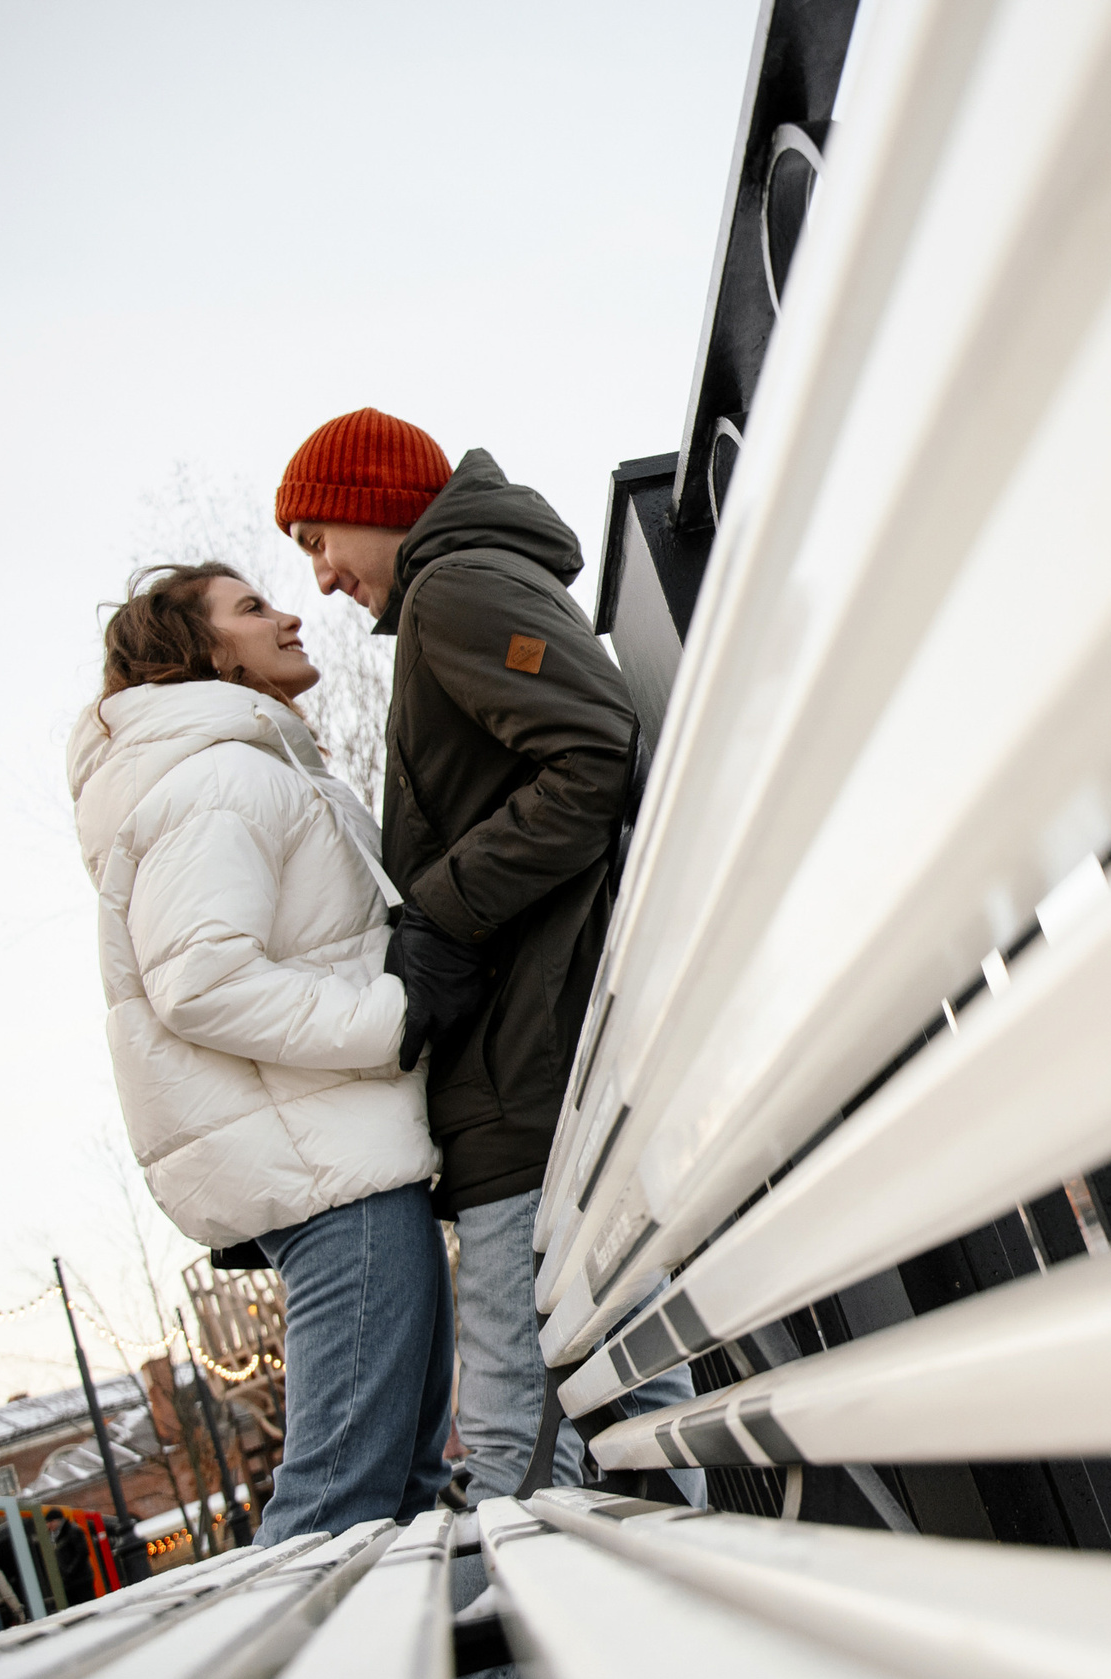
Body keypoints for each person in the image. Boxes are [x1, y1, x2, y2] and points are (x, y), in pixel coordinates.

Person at [275, 410, 696, 1522]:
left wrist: (441, 915)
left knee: (517, 1443)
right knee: (634, 1407)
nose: (321, 577)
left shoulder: (454, 589)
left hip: (525, 1065)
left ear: (374, 502)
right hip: (544, 1054)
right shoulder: (464, 587)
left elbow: (595, 748)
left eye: (319, 539)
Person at [71, 564, 452, 1545]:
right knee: (339, 1504)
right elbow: (200, 980)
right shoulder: (219, 779)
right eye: (250, 608)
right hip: (330, 1176)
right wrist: (395, 1016)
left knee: (401, 1493)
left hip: (346, 1158)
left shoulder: (257, 767)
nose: (287, 614)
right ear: (196, 650)